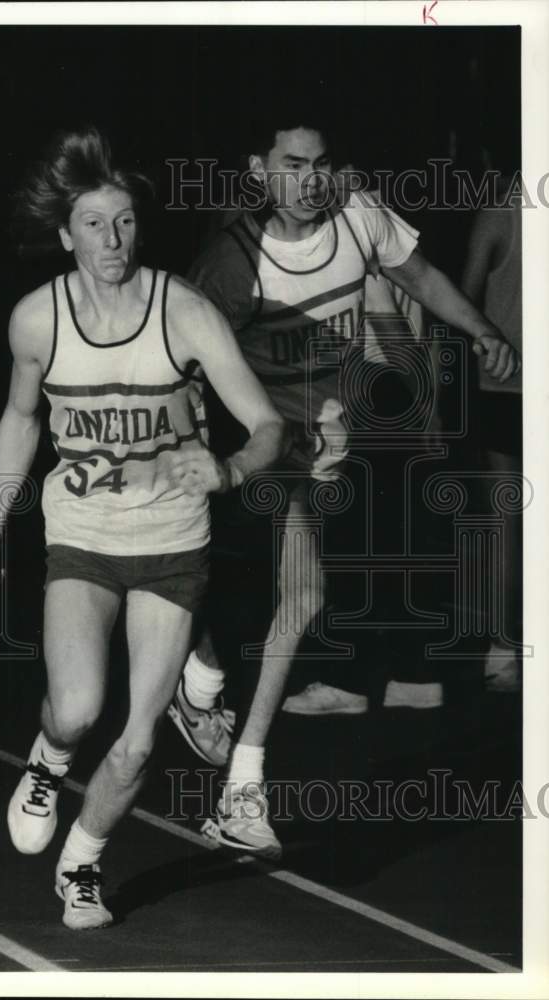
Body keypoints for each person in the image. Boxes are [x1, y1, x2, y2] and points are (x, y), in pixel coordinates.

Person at [167, 110, 521, 858]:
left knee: (304, 597)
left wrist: (481, 333)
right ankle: (197, 668)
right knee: (191, 572)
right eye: (292, 163)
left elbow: (418, 276)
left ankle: (243, 785)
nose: (310, 179)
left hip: (313, 444)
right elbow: (184, 366)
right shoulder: (233, 265)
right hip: (244, 431)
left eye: (320, 162)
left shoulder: (357, 215)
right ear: (259, 170)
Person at [0, 127, 286, 930]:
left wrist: (231, 469)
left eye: (126, 222)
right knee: (74, 710)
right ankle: (48, 760)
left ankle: (82, 863)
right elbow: (19, 415)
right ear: (65, 234)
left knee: (138, 741)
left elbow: (266, 425)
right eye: (95, 225)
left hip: (174, 544)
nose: (113, 240)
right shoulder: (38, 321)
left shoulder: (184, 311)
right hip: (82, 536)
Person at [461, 179, 522, 692]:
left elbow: (465, 296)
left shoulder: (502, 209)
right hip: (510, 387)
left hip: (506, 386)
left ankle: (504, 654)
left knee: (505, 522)